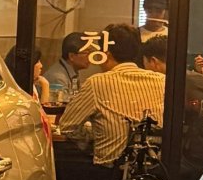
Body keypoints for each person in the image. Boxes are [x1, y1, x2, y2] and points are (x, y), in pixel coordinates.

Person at [58, 23, 166, 165]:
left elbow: (67, 126)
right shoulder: (162, 81)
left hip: (110, 174)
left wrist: (96, 135)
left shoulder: (97, 83)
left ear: (106, 54)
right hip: (154, 172)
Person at [42, 32, 91, 100]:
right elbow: (64, 108)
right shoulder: (58, 78)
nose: (91, 57)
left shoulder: (73, 72)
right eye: (86, 53)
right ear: (71, 56)